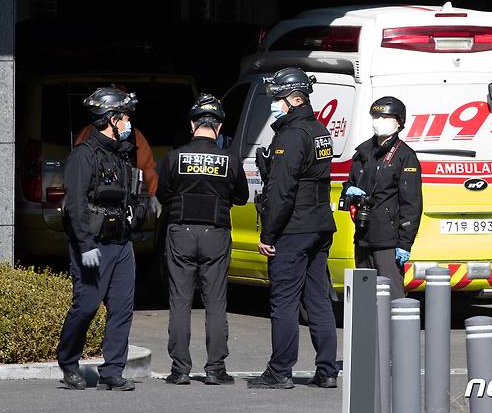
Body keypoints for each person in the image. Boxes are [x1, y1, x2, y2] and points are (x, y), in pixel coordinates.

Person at [248, 67, 339, 389]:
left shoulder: (291, 135)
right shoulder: (318, 130)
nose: (274, 104)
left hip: (294, 228)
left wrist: (268, 235)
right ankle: (327, 370)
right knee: (317, 299)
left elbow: (281, 191)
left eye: (278, 98)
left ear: (295, 99)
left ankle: (280, 371)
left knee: (284, 301)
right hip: (318, 225)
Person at [57, 87, 149, 391]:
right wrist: (84, 246)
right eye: (124, 117)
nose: (128, 123)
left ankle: (112, 371)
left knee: (122, 308)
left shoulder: (123, 155)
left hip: (122, 244)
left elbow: (135, 194)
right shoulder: (83, 156)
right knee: (86, 306)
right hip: (93, 245)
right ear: (111, 118)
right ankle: (68, 362)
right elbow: (76, 206)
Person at [157, 93, 248, 385]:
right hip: (215, 235)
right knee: (216, 302)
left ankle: (180, 369)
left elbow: (163, 195)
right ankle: (215, 369)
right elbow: (241, 196)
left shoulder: (174, 157)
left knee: (180, 302)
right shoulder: (230, 160)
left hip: (181, 233)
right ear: (219, 127)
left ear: (192, 124)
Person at [341, 96, 423, 300]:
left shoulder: (405, 156)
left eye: (386, 117)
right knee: (364, 298)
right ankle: (369, 333)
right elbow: (350, 183)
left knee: (392, 296)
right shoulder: (363, 151)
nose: (379, 120)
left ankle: (397, 333)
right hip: (363, 234)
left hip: (388, 240)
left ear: (399, 122)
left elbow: (411, 204)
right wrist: (350, 191)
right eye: (376, 116)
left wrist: (405, 243)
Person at [74, 85, 162, 219]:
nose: (127, 121)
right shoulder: (86, 139)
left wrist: (153, 195)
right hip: (95, 212)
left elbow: (148, 168)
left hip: (124, 209)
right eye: (125, 115)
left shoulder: (135, 137)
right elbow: (76, 173)